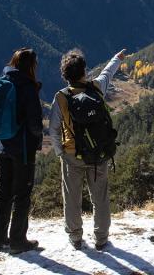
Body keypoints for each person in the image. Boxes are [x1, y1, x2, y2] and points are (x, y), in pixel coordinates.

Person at [48, 48, 125, 251]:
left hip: (72, 155)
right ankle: (101, 238)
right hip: (98, 154)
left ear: (65, 75)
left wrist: (60, 153)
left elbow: (54, 129)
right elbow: (107, 73)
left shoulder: (61, 98)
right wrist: (117, 58)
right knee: (99, 197)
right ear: (84, 71)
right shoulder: (96, 88)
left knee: (72, 199)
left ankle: (75, 237)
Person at [0, 48, 43, 254]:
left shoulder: (2, 82)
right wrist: (38, 135)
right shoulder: (28, 87)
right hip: (22, 148)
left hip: (1, 144)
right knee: (22, 193)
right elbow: (35, 124)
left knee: (3, 191)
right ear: (31, 66)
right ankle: (17, 241)